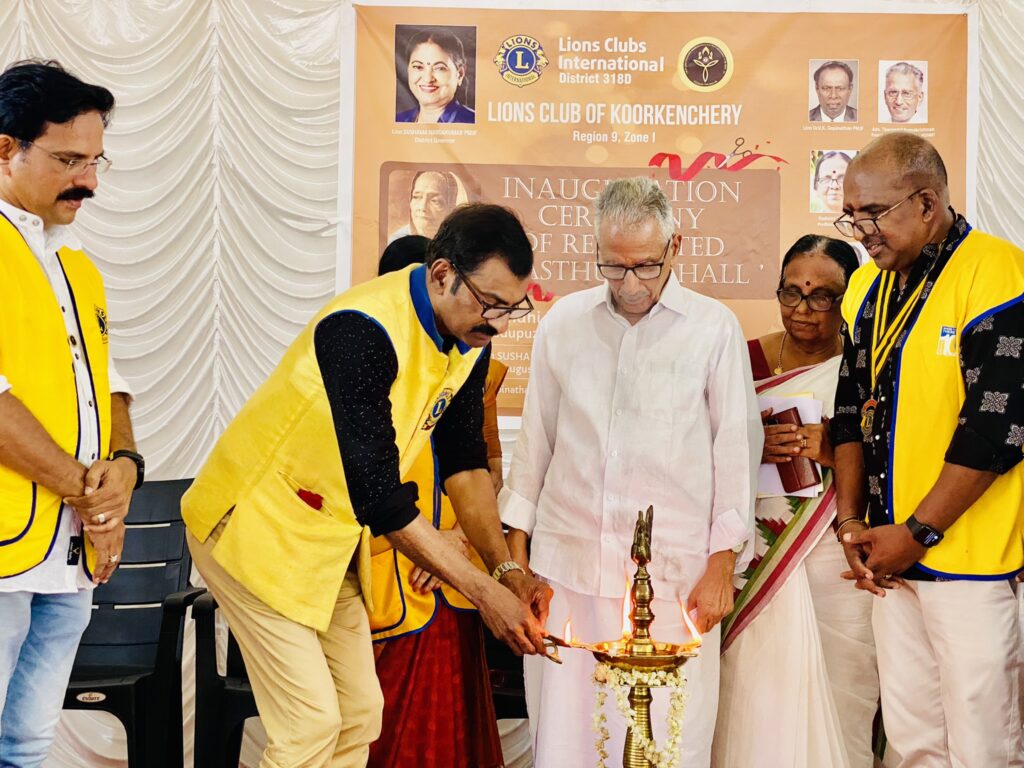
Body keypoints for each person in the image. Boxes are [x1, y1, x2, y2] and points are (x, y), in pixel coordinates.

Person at [182, 203, 552, 768]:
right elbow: (381, 497)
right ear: (442, 273)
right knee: (309, 726)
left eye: (513, 308)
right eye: (490, 303)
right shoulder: (360, 329)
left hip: (329, 545)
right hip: (251, 531)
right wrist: (485, 593)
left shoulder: (471, 341)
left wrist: (505, 569)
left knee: (359, 714)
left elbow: (465, 466)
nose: (499, 322)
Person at [500, 177, 762, 767]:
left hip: (676, 577)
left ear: (676, 247)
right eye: (613, 268)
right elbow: (534, 447)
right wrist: (515, 563)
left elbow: (736, 451)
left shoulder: (712, 328)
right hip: (567, 568)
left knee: (669, 735)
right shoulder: (563, 323)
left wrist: (724, 564)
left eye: (645, 265)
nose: (631, 284)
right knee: (568, 734)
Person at [832, 133, 1024, 765]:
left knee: (982, 743)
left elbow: (999, 429)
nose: (861, 229)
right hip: (888, 561)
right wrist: (854, 524)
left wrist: (917, 531)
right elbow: (848, 413)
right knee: (912, 743)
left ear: (927, 202)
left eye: (874, 213)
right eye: (852, 215)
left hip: (970, 562)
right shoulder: (866, 286)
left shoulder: (997, 271)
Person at [0, 60, 142, 768]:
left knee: (28, 742)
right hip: (7, 543)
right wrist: (88, 499)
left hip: (67, 553)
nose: (87, 180)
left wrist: (124, 467)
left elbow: (110, 389)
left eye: (95, 160)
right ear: (5, 149)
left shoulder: (76, 263)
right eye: (67, 160)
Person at [713, 235, 878, 768]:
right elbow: (699, 448)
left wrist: (841, 450)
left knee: (840, 689)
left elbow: (907, 462)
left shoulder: (871, 367)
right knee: (755, 685)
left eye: (823, 295)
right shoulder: (743, 360)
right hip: (754, 554)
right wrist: (753, 438)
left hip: (836, 555)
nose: (804, 309)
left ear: (848, 299)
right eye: (792, 293)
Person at [367, 233, 508, 768]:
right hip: (383, 574)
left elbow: (484, 470)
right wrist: (418, 544)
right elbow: (348, 484)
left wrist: (458, 543)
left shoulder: (470, 365)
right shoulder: (362, 352)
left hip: (452, 578)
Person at [396, 29, 475, 124]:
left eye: (439, 68)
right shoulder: (399, 121)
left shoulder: (473, 122)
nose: (428, 79)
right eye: (418, 67)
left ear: (460, 74)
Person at [388, 170, 461, 243]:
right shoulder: (397, 242)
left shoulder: (459, 241)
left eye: (434, 201)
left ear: (451, 208)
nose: (422, 207)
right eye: (416, 197)